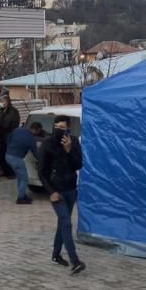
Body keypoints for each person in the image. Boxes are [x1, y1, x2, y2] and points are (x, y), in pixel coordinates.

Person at [39, 116, 85, 275]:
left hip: (71, 188)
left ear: (68, 129)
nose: (58, 130)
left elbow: (79, 164)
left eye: (62, 127)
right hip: (56, 190)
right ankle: (75, 260)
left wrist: (69, 150)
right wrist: (51, 192)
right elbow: (42, 172)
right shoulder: (47, 143)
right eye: (56, 126)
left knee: (62, 222)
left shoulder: (73, 142)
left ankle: (56, 254)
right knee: (66, 223)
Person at [5, 122, 44, 205]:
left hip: (8, 155)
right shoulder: (31, 139)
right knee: (24, 178)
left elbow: (8, 138)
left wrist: (9, 149)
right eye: (39, 131)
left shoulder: (18, 129)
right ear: (37, 130)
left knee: (20, 177)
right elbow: (35, 153)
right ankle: (20, 199)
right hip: (17, 159)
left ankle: (22, 195)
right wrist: (43, 160)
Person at [0, 94, 21, 178]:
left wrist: (0, 125)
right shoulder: (2, 111)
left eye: (3, 101)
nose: (2, 103)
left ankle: (11, 173)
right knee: (1, 156)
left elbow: (6, 124)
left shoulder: (12, 112)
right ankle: (6, 171)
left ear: (7, 102)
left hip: (9, 136)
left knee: (7, 155)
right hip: (2, 135)